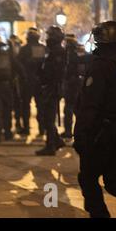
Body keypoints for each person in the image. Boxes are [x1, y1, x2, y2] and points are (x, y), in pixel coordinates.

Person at [74, 21, 116, 218]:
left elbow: (90, 104)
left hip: (103, 133)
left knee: (88, 178)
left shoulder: (100, 65)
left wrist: (80, 135)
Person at [35, 26, 66, 156]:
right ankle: (57, 140)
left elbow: (55, 72)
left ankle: (50, 145)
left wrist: (44, 75)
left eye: (49, 36)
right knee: (48, 116)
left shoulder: (57, 51)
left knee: (48, 117)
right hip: (50, 87)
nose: (47, 38)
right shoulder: (53, 50)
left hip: (52, 88)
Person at [18, 27, 46, 136]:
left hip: (27, 81)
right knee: (40, 105)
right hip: (40, 81)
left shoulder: (24, 49)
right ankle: (42, 128)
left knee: (25, 105)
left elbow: (18, 64)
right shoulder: (44, 48)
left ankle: (26, 128)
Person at [62, 33, 83, 139]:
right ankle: (77, 130)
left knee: (69, 109)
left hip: (71, 84)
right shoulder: (78, 53)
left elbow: (68, 71)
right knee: (75, 109)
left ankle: (69, 131)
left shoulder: (68, 55)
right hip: (77, 84)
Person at [8, 34, 24, 133]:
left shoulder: (7, 54)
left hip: (12, 82)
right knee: (16, 104)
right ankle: (17, 123)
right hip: (15, 81)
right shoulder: (14, 54)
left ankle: (10, 127)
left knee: (13, 104)